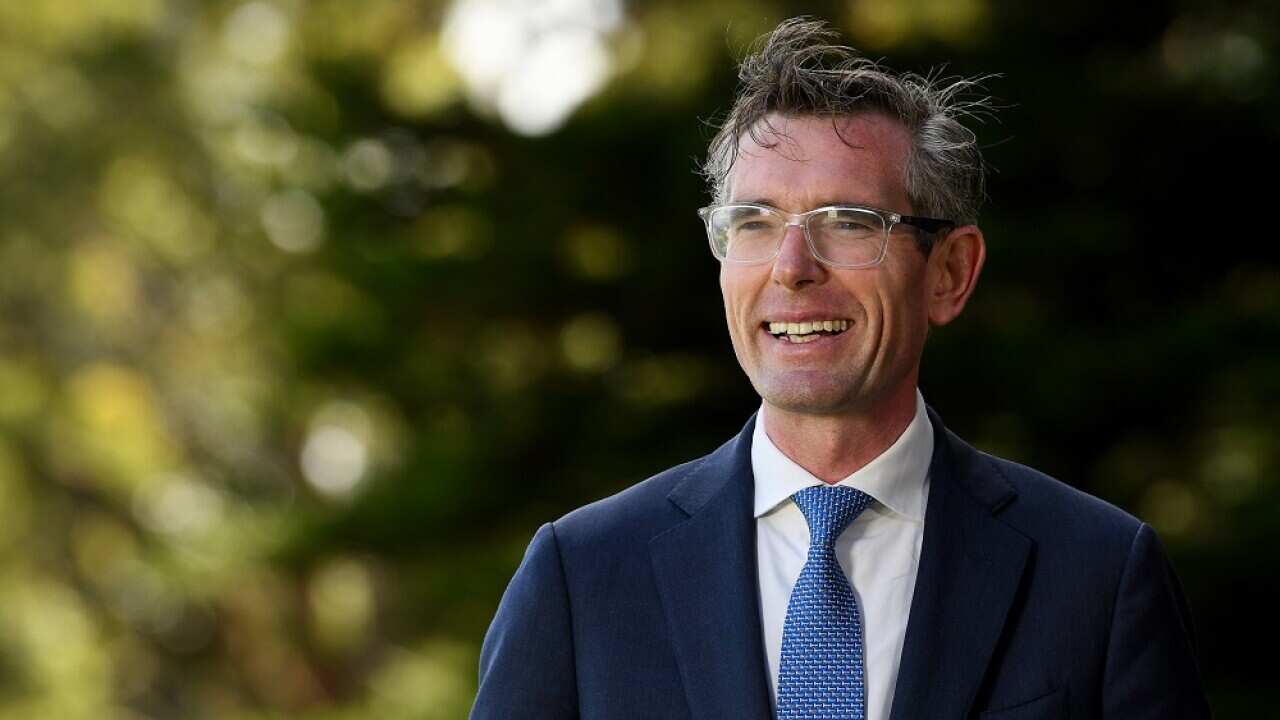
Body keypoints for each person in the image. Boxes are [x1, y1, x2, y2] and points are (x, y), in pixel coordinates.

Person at [471, 17, 1211, 720]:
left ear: (950, 273)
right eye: (754, 223)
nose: (792, 268)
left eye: (849, 223)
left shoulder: (1099, 575)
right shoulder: (581, 576)